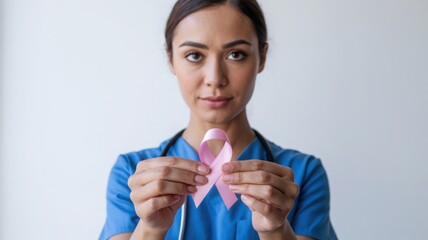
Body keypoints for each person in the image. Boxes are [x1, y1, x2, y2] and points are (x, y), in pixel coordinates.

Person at [99, 0, 337, 239]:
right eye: (194, 55)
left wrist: (275, 229)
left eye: (236, 54)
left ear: (262, 57)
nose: (215, 78)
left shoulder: (302, 174)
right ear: (170, 59)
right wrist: (151, 228)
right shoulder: (132, 175)